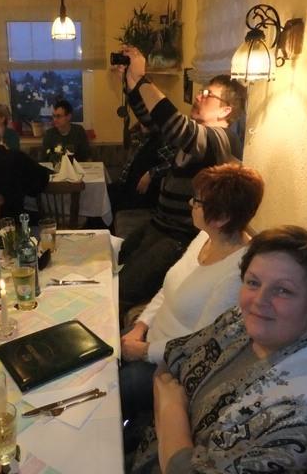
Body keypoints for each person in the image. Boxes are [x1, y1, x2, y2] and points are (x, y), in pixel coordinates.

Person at [129, 226, 307, 474]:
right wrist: (169, 423)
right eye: (253, 282)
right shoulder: (241, 322)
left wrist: (171, 411)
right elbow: (173, 360)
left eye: (283, 290)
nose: (259, 300)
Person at [120, 164, 264, 422]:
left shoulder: (237, 273)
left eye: (197, 201)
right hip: (149, 339)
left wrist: (143, 351)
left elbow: (200, 345)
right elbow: (168, 289)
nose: (190, 203)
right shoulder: (205, 238)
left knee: (112, 389)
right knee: (97, 355)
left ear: (221, 217)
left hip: (173, 366)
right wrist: (140, 326)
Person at [118, 46, 247, 316]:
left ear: (225, 110)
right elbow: (151, 118)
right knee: (116, 262)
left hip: (178, 239)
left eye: (208, 94)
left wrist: (142, 79)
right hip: (158, 225)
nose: (199, 96)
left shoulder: (222, 140)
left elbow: (175, 125)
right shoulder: (198, 134)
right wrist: (130, 81)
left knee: (122, 290)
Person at [110, 123, 174, 212]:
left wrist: (151, 173)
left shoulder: (162, 140)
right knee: (101, 194)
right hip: (126, 188)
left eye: (148, 121)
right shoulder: (141, 138)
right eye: (142, 120)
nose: (144, 124)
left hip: (141, 197)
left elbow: (172, 163)